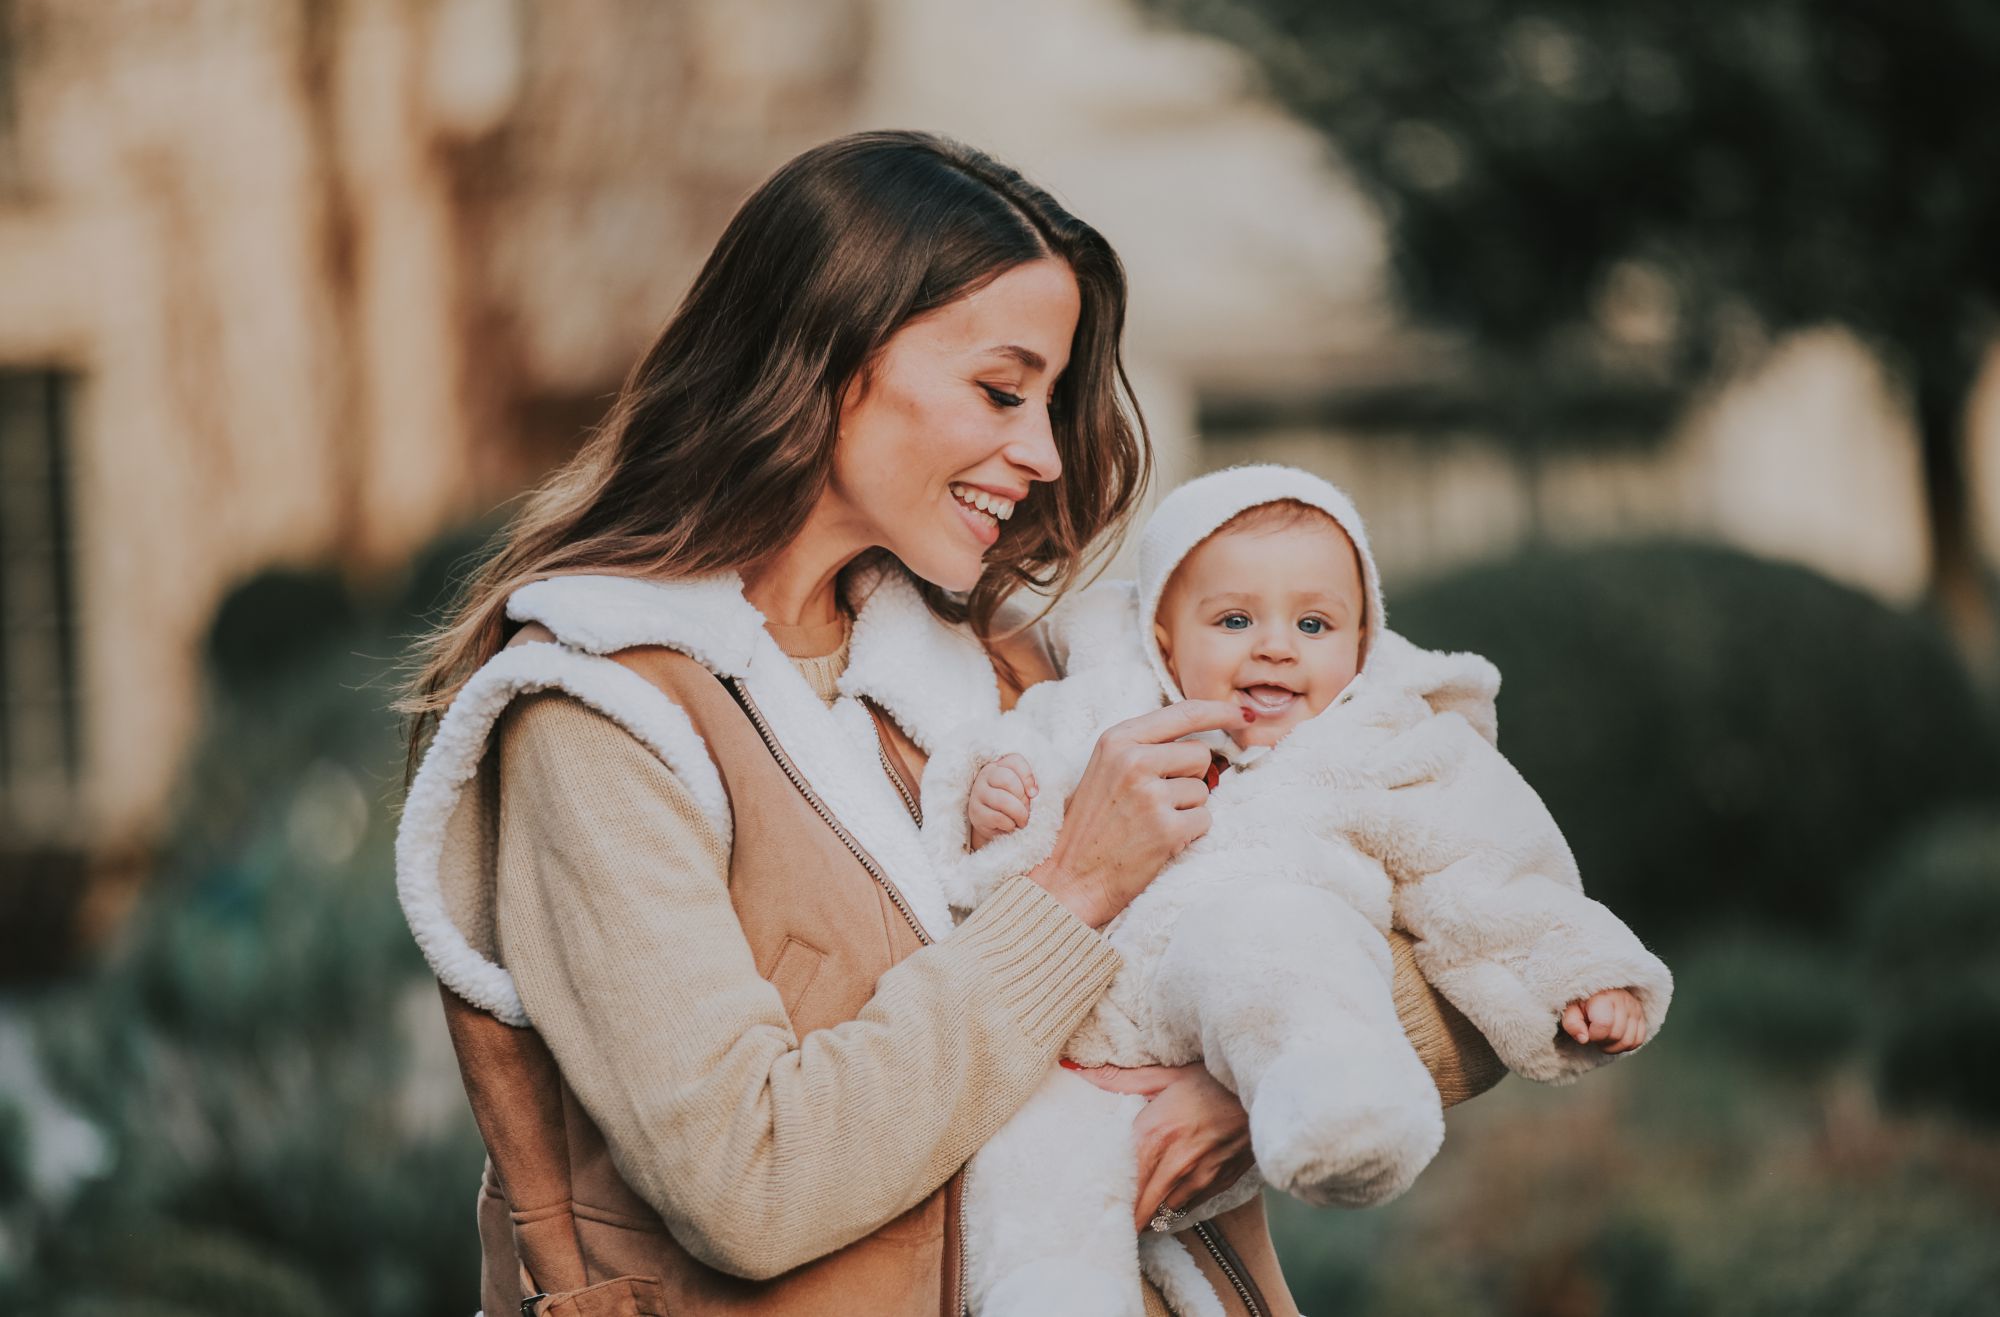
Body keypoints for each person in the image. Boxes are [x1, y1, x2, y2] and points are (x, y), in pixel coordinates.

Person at [396, 133, 1502, 1317]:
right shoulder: (601, 717)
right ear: (825, 357)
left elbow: (1474, 937)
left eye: (1051, 399)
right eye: (998, 389)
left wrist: (1251, 1073)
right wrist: (1072, 890)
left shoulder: (1023, 672)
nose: (1038, 452)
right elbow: (746, 1181)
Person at [924, 465, 1672, 1316]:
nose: (1275, 645)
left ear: (1362, 643)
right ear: (1164, 638)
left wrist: (1576, 972)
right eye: (1235, 619)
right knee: (1029, 1182)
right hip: (1077, 1049)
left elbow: (1488, 868)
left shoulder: (1384, 746)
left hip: (1253, 981)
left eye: (1313, 623)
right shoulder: (1107, 712)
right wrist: (997, 803)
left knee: (1277, 941)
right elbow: (1023, 794)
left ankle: (1340, 1103)